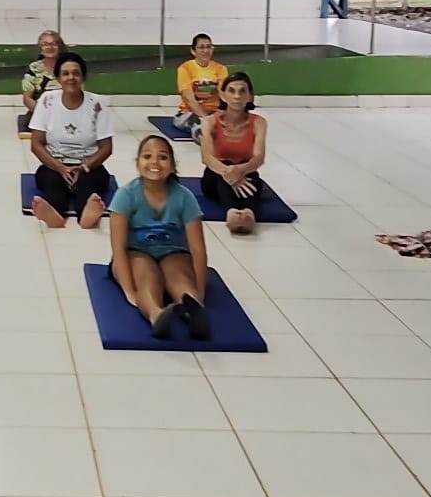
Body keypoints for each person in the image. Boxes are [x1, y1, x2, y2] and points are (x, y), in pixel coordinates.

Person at [108, 135, 211, 340]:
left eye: (162, 157)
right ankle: (156, 315)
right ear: (137, 163)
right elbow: (118, 248)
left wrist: (200, 291)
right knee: (148, 278)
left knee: (178, 278)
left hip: (174, 252)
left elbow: (198, 250)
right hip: (136, 253)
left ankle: (194, 312)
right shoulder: (126, 195)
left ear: (172, 166)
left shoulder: (184, 197)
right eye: (147, 156)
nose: (154, 162)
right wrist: (129, 290)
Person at [29, 51, 113, 230]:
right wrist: (60, 168)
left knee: (87, 184)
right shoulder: (47, 100)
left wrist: (83, 167)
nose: (71, 78)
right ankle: (54, 216)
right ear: (58, 78)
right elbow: (36, 143)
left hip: (89, 166)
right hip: (54, 164)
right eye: (65, 74)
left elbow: (106, 148)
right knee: (53, 183)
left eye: (76, 73)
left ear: (83, 77)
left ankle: (87, 216)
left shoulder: (97, 104)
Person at [198, 72, 268, 235]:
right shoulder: (209, 122)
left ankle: (248, 212)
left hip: (245, 173)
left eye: (242, 91)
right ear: (222, 95)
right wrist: (229, 172)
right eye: (231, 91)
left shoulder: (259, 122)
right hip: (215, 176)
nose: (237, 96)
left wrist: (239, 171)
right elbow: (207, 157)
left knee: (253, 176)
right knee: (225, 172)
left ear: (250, 96)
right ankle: (232, 213)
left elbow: (258, 158)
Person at [173, 33, 228, 138]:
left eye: (209, 47)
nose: (206, 51)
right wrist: (204, 118)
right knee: (197, 123)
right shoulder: (185, 68)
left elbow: (224, 95)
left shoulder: (221, 69)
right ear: (193, 51)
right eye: (201, 47)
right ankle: (203, 134)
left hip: (213, 112)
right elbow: (189, 99)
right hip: (190, 113)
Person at [17, 29, 64, 133]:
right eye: (45, 44)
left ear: (60, 47)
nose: (50, 47)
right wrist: (43, 113)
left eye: (53, 44)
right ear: (40, 48)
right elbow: (27, 98)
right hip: (40, 114)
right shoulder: (34, 68)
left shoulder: (69, 67)